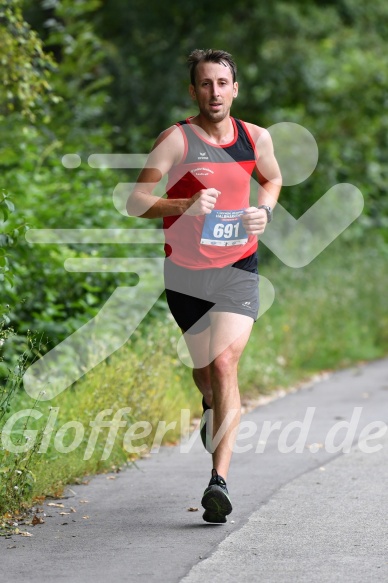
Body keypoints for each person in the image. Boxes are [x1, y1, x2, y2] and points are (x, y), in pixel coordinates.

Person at [127, 49, 282, 523]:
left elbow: (272, 178)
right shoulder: (177, 140)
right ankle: (210, 403)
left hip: (238, 268)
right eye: (205, 84)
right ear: (193, 91)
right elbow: (137, 201)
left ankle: (219, 482)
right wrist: (182, 206)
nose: (215, 92)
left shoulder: (255, 137)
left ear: (235, 89)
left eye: (223, 83)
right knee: (206, 376)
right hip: (187, 275)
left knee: (224, 361)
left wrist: (265, 211)